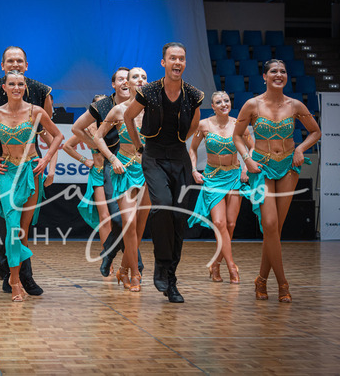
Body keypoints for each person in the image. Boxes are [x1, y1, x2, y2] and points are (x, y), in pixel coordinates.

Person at [0, 46, 54, 295]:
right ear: (2, 66)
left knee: (20, 226)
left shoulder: (40, 90)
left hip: (29, 164)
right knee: (6, 223)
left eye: (19, 61)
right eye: (10, 61)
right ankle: (12, 275)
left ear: (26, 65)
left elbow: (47, 129)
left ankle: (16, 274)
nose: (15, 64)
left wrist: (49, 163)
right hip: (0, 164)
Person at [233, 59, 320, 303]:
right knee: (270, 224)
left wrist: (300, 148)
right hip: (261, 167)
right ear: (265, 76)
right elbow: (237, 136)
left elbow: (315, 131)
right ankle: (283, 283)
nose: (279, 74)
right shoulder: (252, 104)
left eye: (283, 71)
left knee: (275, 230)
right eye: (274, 71)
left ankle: (261, 280)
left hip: (288, 168)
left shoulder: (295, 105)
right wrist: (247, 159)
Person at [124, 43, 204, 303]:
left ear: (184, 62)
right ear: (164, 62)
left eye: (181, 58)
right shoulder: (148, 91)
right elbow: (128, 117)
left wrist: (178, 141)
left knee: (179, 219)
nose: (177, 62)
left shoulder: (193, 94)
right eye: (173, 58)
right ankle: (160, 264)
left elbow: (194, 125)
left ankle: (171, 279)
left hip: (179, 157)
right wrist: (139, 146)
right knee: (162, 207)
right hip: (154, 156)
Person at [0, 70, 63, 301]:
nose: (16, 88)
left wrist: (46, 160)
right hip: (7, 173)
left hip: (30, 172)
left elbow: (57, 136)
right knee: (13, 227)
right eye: (12, 84)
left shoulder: (36, 111)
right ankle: (15, 281)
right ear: (4, 88)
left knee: (23, 231)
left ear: (25, 87)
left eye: (20, 84)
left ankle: (17, 275)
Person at [71, 68, 144, 277]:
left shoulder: (143, 106)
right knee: (120, 220)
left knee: (135, 220)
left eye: (127, 78)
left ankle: (114, 257)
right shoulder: (103, 106)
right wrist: (97, 149)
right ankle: (133, 264)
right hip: (112, 167)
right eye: (120, 79)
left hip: (139, 167)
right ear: (115, 84)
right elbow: (76, 129)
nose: (125, 82)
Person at [94, 68, 151, 292]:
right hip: (125, 170)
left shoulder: (154, 109)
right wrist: (112, 158)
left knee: (140, 227)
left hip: (148, 172)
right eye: (135, 77)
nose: (140, 80)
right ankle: (135, 273)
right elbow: (98, 137)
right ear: (127, 83)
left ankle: (124, 270)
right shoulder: (119, 110)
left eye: (144, 77)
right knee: (129, 223)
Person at [188, 91, 254, 283]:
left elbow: (252, 147)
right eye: (219, 102)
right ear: (213, 106)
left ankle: (216, 264)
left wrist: (246, 167)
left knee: (231, 224)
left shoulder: (239, 124)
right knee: (219, 223)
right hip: (212, 178)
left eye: (226, 101)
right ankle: (232, 267)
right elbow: (192, 149)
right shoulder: (204, 125)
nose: (224, 104)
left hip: (234, 176)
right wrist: (194, 170)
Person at [62, 95, 110, 254]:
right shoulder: (88, 128)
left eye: (105, 104)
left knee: (122, 217)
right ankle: (107, 257)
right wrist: (85, 160)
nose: (102, 107)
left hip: (116, 173)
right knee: (104, 217)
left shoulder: (116, 124)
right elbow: (67, 146)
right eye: (98, 105)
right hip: (98, 174)